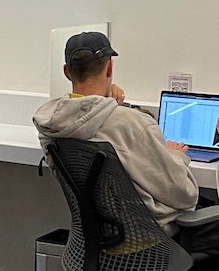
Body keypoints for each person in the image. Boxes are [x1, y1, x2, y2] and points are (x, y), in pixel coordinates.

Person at [33, 31, 197, 231]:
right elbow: (184, 195)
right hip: (147, 239)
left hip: (95, 236)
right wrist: (176, 157)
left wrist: (110, 106)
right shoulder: (133, 124)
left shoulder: (49, 124)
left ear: (67, 72)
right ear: (109, 67)